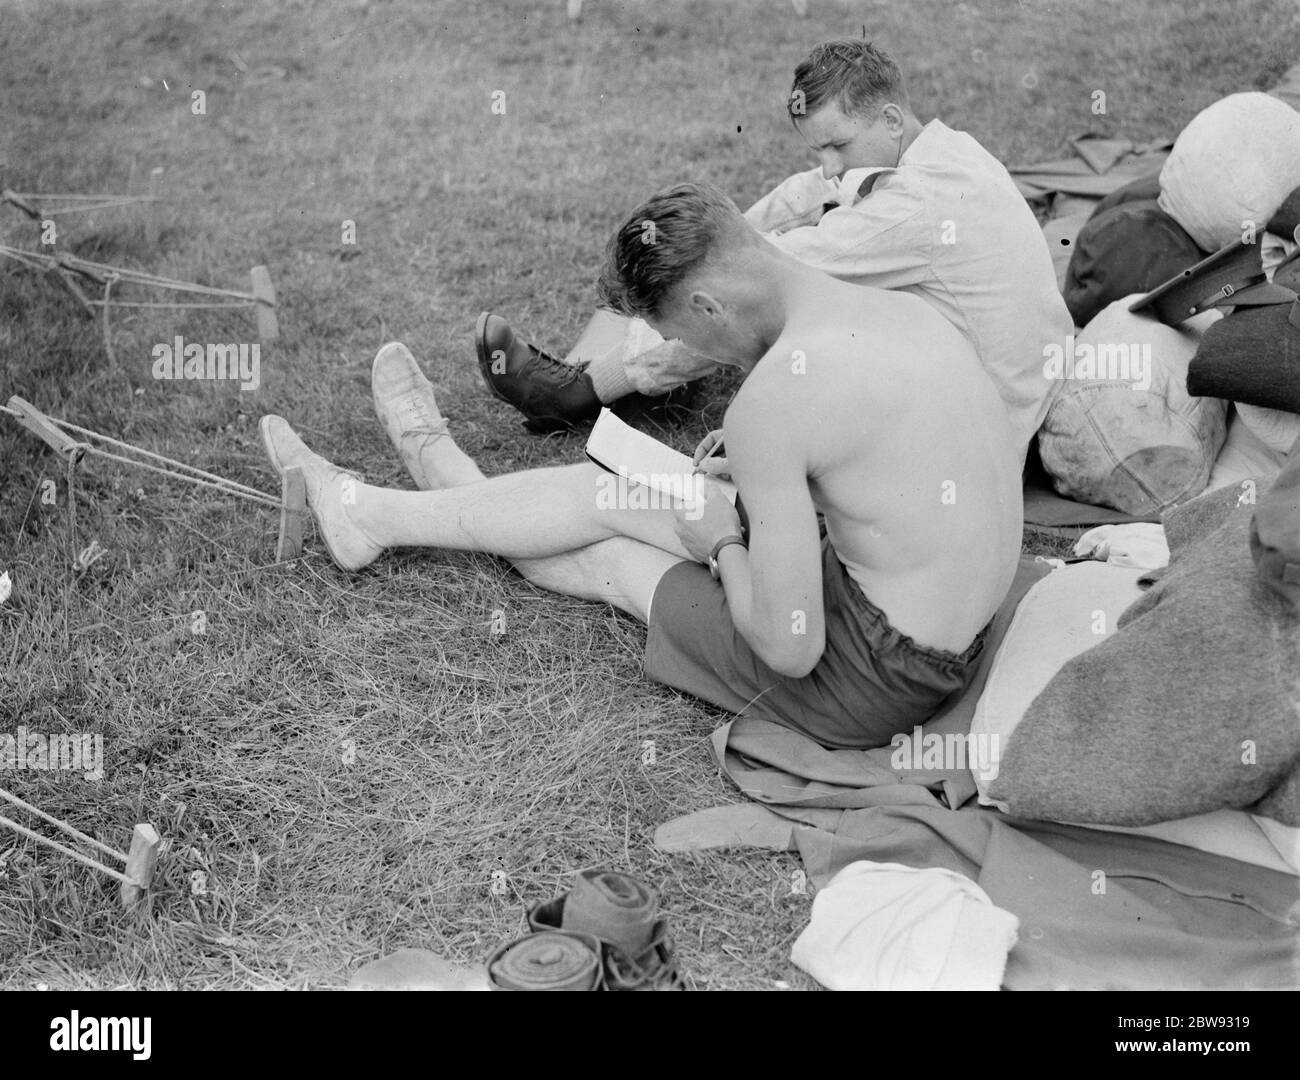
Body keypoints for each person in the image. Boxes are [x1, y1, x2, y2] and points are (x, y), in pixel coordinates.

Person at [262, 182, 1023, 750]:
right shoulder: (900, 309)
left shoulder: (776, 406)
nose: (690, 357)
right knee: (627, 490)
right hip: (944, 617)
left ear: (707, 307)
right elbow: (892, 468)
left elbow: (792, 647)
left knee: (608, 557)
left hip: (875, 677)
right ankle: (404, 498)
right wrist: (775, 478)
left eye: (674, 336)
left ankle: (396, 496)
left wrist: (724, 542)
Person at [479, 39, 1071, 459]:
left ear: (889, 116)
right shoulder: (939, 147)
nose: (829, 164)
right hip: (997, 378)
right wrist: (713, 238)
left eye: (836, 145)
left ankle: (580, 390)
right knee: (733, 279)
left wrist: (708, 260)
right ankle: (592, 370)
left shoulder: (915, 207)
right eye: (818, 149)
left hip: (984, 429)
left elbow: (764, 279)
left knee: (749, 299)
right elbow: (810, 190)